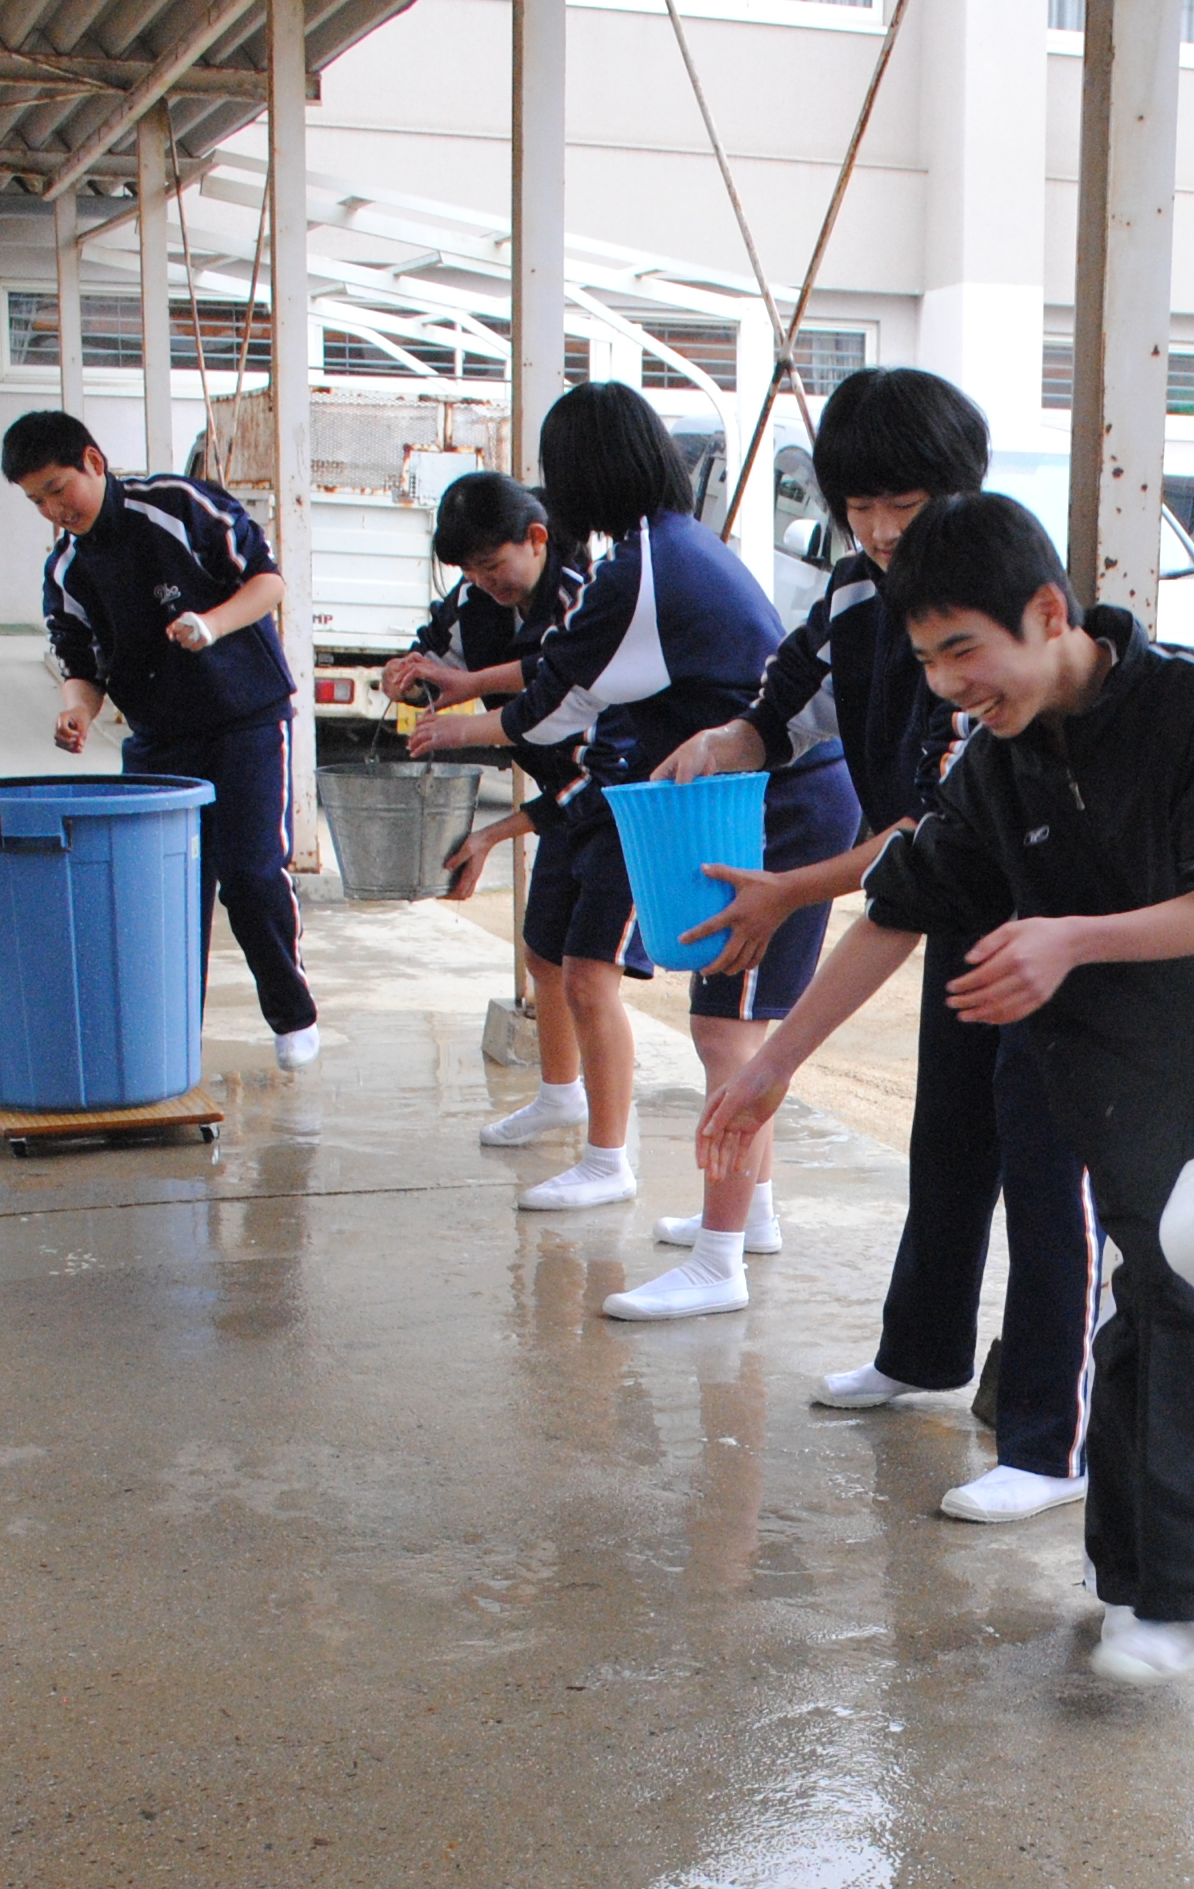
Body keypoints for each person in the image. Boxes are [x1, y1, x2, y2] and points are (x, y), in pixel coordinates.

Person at [700, 492, 1194, 1680]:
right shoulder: (995, 764)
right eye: (928, 658)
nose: (947, 682)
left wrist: (1065, 940)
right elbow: (898, 908)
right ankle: (1133, 1585)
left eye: (961, 650)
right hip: (1107, 1075)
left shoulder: (1192, 700)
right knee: (1130, 1302)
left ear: (1048, 613)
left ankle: (1188, 1599)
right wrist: (774, 1067)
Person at [657, 368, 1102, 1526]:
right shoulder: (863, 596)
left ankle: (1054, 1442)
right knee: (946, 1138)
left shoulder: (991, 608)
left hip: (1052, 925)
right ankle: (921, 1350)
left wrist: (792, 891)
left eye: (900, 501)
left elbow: (934, 821)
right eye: (859, 505)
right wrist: (721, 742)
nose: (878, 529)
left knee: (1052, 1177)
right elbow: (784, 698)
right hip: (953, 902)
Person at [415, 382, 862, 1320]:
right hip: (781, 796)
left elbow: (557, 703)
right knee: (734, 1022)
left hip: (770, 809)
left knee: (726, 1032)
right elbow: (563, 673)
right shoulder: (670, 549)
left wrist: (451, 727)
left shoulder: (644, 568)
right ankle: (755, 1214)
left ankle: (721, 1259)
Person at [5, 409, 325, 1070]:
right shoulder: (66, 568)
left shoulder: (177, 504)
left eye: (58, 487)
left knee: (249, 872)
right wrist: (79, 711)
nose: (52, 508)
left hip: (244, 718)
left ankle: (292, 1015)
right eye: (36, 499)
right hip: (158, 738)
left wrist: (210, 625)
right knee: (163, 892)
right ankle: (173, 1034)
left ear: (94, 462)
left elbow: (267, 581)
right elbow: (80, 662)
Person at [387, 470, 622, 1134]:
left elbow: (555, 674)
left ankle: (608, 1153)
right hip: (566, 792)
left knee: (588, 975)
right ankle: (558, 1096)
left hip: (613, 788)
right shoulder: (474, 599)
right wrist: (406, 680)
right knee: (544, 955)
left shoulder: (587, 593)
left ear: (537, 538)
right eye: (473, 571)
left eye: (494, 565)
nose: (488, 581)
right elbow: (427, 661)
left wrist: (464, 698)